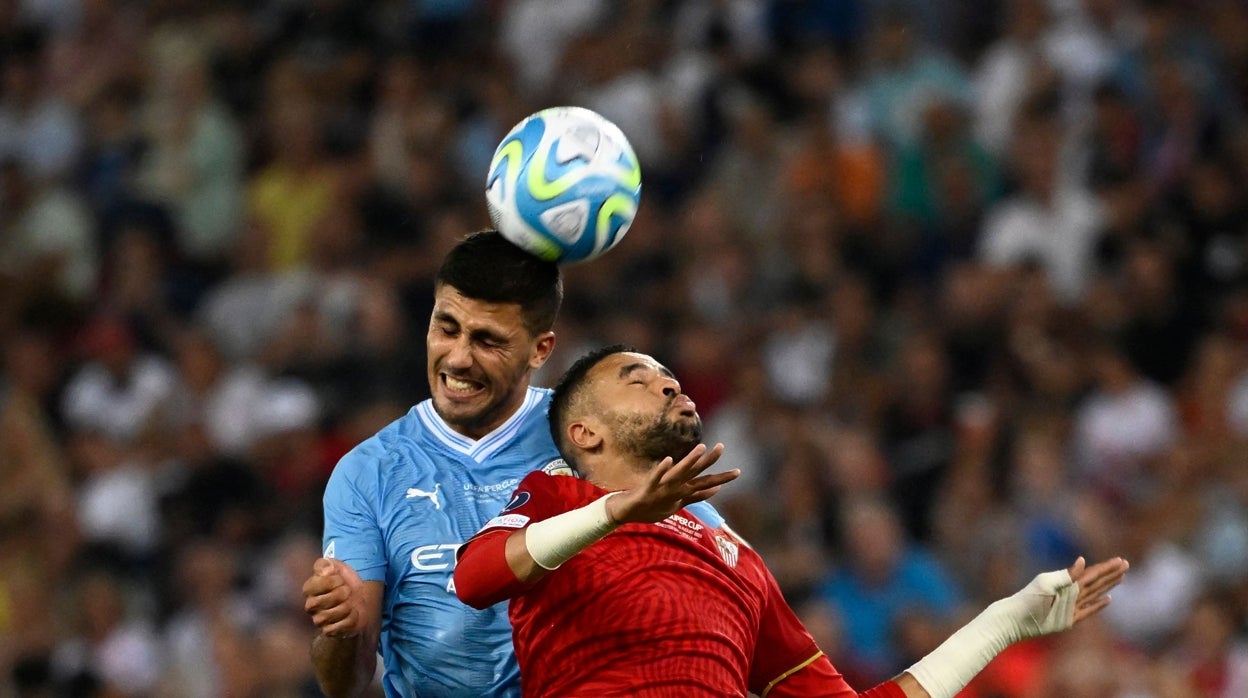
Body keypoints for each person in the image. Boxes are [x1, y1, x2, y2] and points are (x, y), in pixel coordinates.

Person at [453, 345, 1130, 698]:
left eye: (668, 375)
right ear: (585, 432)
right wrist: (617, 511)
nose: (668, 382)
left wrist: (1005, 621)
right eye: (636, 376)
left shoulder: (739, 562)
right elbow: (475, 578)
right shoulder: (555, 496)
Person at [300, 230, 566, 698]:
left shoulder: (584, 438)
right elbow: (343, 682)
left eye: (488, 340)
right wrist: (340, 629)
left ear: (539, 350)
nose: (459, 358)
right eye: (446, 328)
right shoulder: (369, 471)